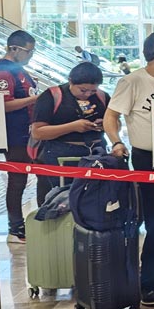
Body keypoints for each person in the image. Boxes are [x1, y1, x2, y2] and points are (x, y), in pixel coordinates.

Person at [104, 31, 154, 308]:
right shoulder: (132, 81)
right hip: (147, 158)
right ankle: (146, 281)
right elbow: (111, 116)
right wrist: (116, 142)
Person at [30, 62, 110, 207]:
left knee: (95, 200)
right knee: (61, 200)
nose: (87, 95)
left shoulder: (102, 97)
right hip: (60, 152)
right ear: (71, 81)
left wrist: (104, 124)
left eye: (92, 91)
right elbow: (38, 132)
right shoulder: (51, 96)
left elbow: (116, 125)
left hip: (96, 151)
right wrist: (72, 127)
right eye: (83, 90)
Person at [0, 31, 39, 243]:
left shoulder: (18, 70)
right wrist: (35, 99)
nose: (31, 55)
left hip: (29, 132)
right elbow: (3, 104)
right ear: (14, 49)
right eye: (29, 51)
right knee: (17, 180)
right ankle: (16, 228)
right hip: (15, 135)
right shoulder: (3, 73)